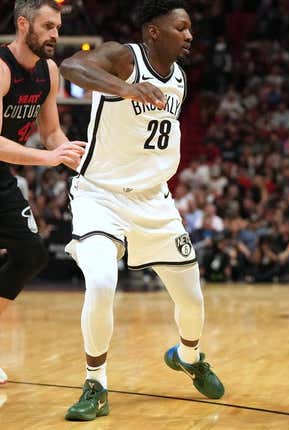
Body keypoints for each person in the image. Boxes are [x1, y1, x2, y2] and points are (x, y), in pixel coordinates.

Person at [59, 0, 223, 421]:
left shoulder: (180, 79)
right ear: (154, 31)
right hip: (100, 195)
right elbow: (71, 69)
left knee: (191, 298)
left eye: (190, 29)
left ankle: (189, 356)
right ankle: (95, 384)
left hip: (154, 201)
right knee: (99, 282)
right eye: (181, 28)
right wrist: (127, 88)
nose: (189, 36)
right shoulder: (122, 57)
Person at [0, 0, 86, 385]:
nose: (55, 34)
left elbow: (52, 133)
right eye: (47, 26)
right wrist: (48, 156)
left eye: (58, 27)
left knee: (31, 254)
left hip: (1, 173)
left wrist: (71, 154)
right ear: (23, 24)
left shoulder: (49, 72)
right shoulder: (1, 69)